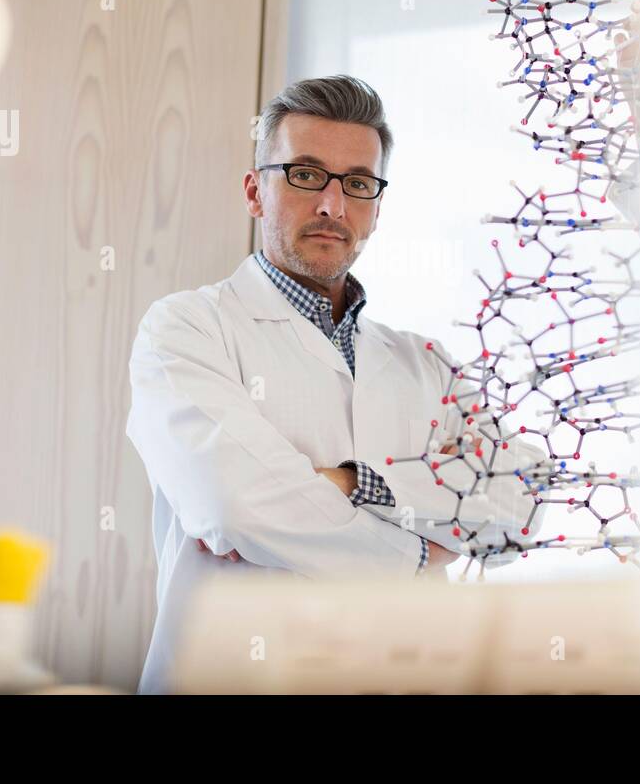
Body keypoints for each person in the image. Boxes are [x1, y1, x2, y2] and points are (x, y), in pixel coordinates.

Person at [125, 75, 545, 692]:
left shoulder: (424, 362)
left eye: (357, 184)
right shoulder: (186, 328)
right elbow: (234, 505)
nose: (332, 204)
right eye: (305, 174)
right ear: (255, 191)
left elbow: (520, 500)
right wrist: (421, 552)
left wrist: (351, 480)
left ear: (376, 208)